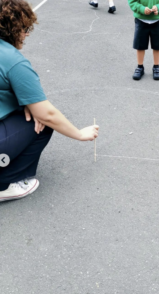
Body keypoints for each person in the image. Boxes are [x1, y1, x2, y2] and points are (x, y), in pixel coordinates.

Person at [0, 0, 99, 202]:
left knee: (29, 111)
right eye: (25, 29)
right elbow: (48, 114)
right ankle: (4, 185)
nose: (27, 34)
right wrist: (80, 134)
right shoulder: (14, 62)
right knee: (42, 124)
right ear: (13, 28)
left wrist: (25, 103)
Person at [128, 0, 159, 81]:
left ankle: (156, 66)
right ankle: (140, 67)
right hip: (141, 19)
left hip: (157, 19)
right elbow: (132, 1)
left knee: (157, 45)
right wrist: (141, 8)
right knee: (140, 45)